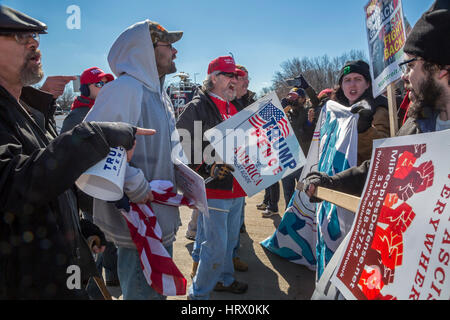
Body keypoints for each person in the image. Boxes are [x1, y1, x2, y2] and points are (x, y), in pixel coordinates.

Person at [0, 5, 154, 299]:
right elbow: (12, 185)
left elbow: (46, 184)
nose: (34, 43)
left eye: (34, 36)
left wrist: (77, 228)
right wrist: (93, 135)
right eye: (20, 36)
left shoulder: (31, 110)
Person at [304, 0, 449, 220]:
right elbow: (384, 170)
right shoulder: (418, 120)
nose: (404, 76)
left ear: (439, 69)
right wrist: (333, 182)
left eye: (410, 66)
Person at [84, 19, 184, 300]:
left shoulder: (160, 95)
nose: (175, 52)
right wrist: (131, 180)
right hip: (137, 224)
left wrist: (186, 173)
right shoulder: (124, 89)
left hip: (160, 218)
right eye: (169, 46)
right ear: (145, 49)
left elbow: (170, 146)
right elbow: (92, 144)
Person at [177, 55, 248, 299]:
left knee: (229, 244)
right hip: (215, 189)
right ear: (214, 78)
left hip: (238, 187)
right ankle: (197, 296)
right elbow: (184, 142)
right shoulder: (198, 106)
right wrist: (209, 166)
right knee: (215, 247)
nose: (234, 81)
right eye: (229, 76)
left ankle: (225, 280)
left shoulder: (233, 107)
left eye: (236, 77)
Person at [60, 67, 120, 298]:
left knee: (110, 237)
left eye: (108, 84)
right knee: (94, 242)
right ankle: (95, 291)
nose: (105, 89)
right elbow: (64, 155)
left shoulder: (104, 110)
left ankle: (112, 273)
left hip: (107, 186)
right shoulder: (77, 116)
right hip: (89, 191)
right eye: (100, 84)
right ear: (86, 88)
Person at [334, 60, 391, 165]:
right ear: (341, 86)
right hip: (339, 173)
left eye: (358, 79)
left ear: (368, 84)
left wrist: (365, 129)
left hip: (364, 175)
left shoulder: (378, 108)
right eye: (347, 80)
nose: (352, 84)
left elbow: (384, 147)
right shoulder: (337, 109)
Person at [61, 67, 114, 133]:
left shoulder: (106, 108)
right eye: (99, 84)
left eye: (106, 83)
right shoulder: (76, 117)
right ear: (85, 88)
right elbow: (64, 142)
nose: (105, 87)